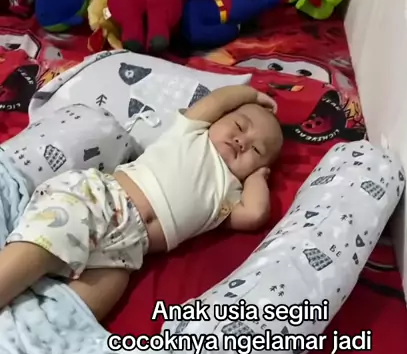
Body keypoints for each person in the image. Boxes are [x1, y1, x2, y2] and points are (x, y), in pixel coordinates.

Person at [0, 85, 283, 320]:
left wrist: (258, 176)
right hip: (99, 200)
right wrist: (251, 94)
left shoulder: (230, 195)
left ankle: (30, 333)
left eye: (256, 149)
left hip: (128, 250)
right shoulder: (192, 134)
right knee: (46, 244)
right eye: (239, 126)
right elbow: (216, 101)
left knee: (92, 302)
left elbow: (255, 213)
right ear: (219, 119)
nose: (242, 141)